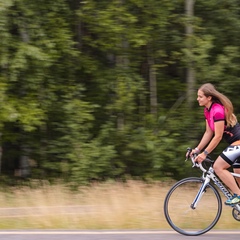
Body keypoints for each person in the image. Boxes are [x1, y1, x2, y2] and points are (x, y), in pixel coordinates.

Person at [191, 83, 240, 205]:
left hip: (238, 143)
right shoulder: (207, 111)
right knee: (237, 177)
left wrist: (205, 153)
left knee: (218, 167)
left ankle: (238, 196)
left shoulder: (217, 111)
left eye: (200, 96)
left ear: (209, 97)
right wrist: (197, 149)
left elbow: (217, 136)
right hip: (235, 144)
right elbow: (208, 132)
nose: (198, 99)